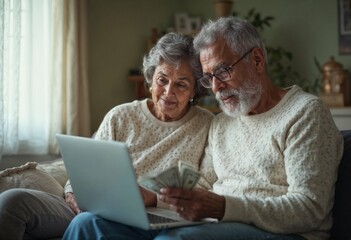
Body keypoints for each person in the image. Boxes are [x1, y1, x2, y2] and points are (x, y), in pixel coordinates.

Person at [63, 16, 344, 240]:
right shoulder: (222, 121)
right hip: (218, 222)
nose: (217, 87)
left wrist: (223, 207)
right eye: (209, 78)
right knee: (88, 224)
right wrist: (154, 196)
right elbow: (203, 183)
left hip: (284, 232)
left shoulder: (305, 113)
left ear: (257, 60)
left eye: (223, 71)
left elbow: (310, 208)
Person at [0, 32, 213, 240]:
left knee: (87, 223)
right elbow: (84, 168)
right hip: (95, 206)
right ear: (150, 80)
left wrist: (153, 198)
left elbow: (205, 187)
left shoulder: (206, 125)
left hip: (151, 215)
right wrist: (74, 195)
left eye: (181, 84)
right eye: (162, 80)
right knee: (11, 201)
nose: (168, 91)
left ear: (195, 90)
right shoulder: (120, 116)